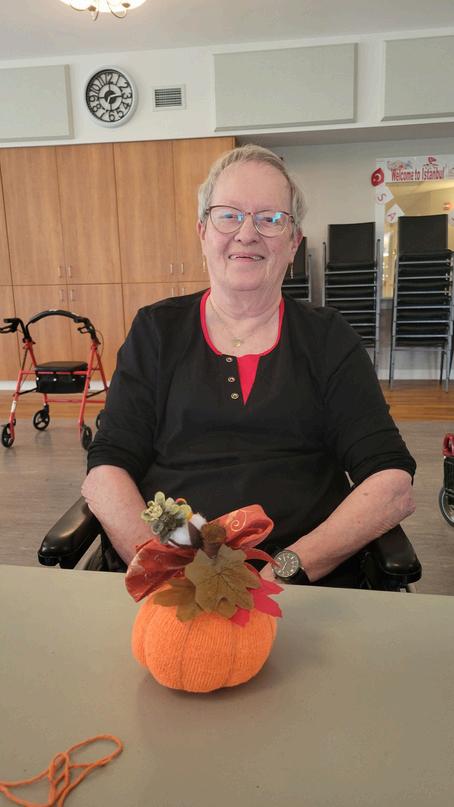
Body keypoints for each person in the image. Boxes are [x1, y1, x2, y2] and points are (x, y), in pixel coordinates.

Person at [82, 143, 415, 587]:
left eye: (270, 219)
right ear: (202, 231)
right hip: (174, 571)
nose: (247, 233)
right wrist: (167, 570)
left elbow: (390, 479)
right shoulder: (157, 331)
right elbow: (107, 469)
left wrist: (282, 572)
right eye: (229, 215)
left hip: (299, 579)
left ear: (293, 243)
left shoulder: (329, 338)